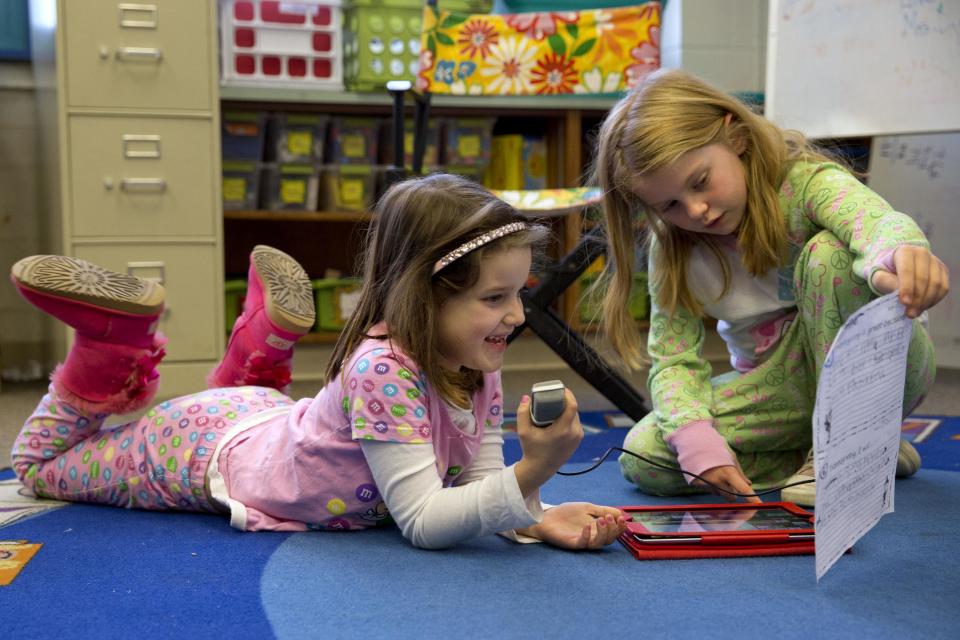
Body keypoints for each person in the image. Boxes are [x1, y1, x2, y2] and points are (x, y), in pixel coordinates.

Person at [10, 173, 628, 550]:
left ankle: (259, 350)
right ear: (424, 295)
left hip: (268, 419)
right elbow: (424, 521)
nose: (518, 316)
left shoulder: (475, 359)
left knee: (290, 421)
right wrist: (534, 474)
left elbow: (472, 483)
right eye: (494, 298)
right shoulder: (383, 369)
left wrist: (534, 518)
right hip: (198, 451)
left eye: (518, 293)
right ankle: (113, 344)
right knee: (39, 466)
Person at [592, 69, 949, 506]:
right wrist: (700, 446)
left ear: (735, 136)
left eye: (700, 181)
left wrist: (898, 253)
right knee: (647, 455)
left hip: (883, 371)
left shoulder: (804, 183)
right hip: (779, 396)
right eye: (669, 204)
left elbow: (870, 219)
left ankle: (846, 449)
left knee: (831, 257)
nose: (696, 210)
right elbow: (673, 360)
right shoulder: (673, 246)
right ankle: (863, 451)